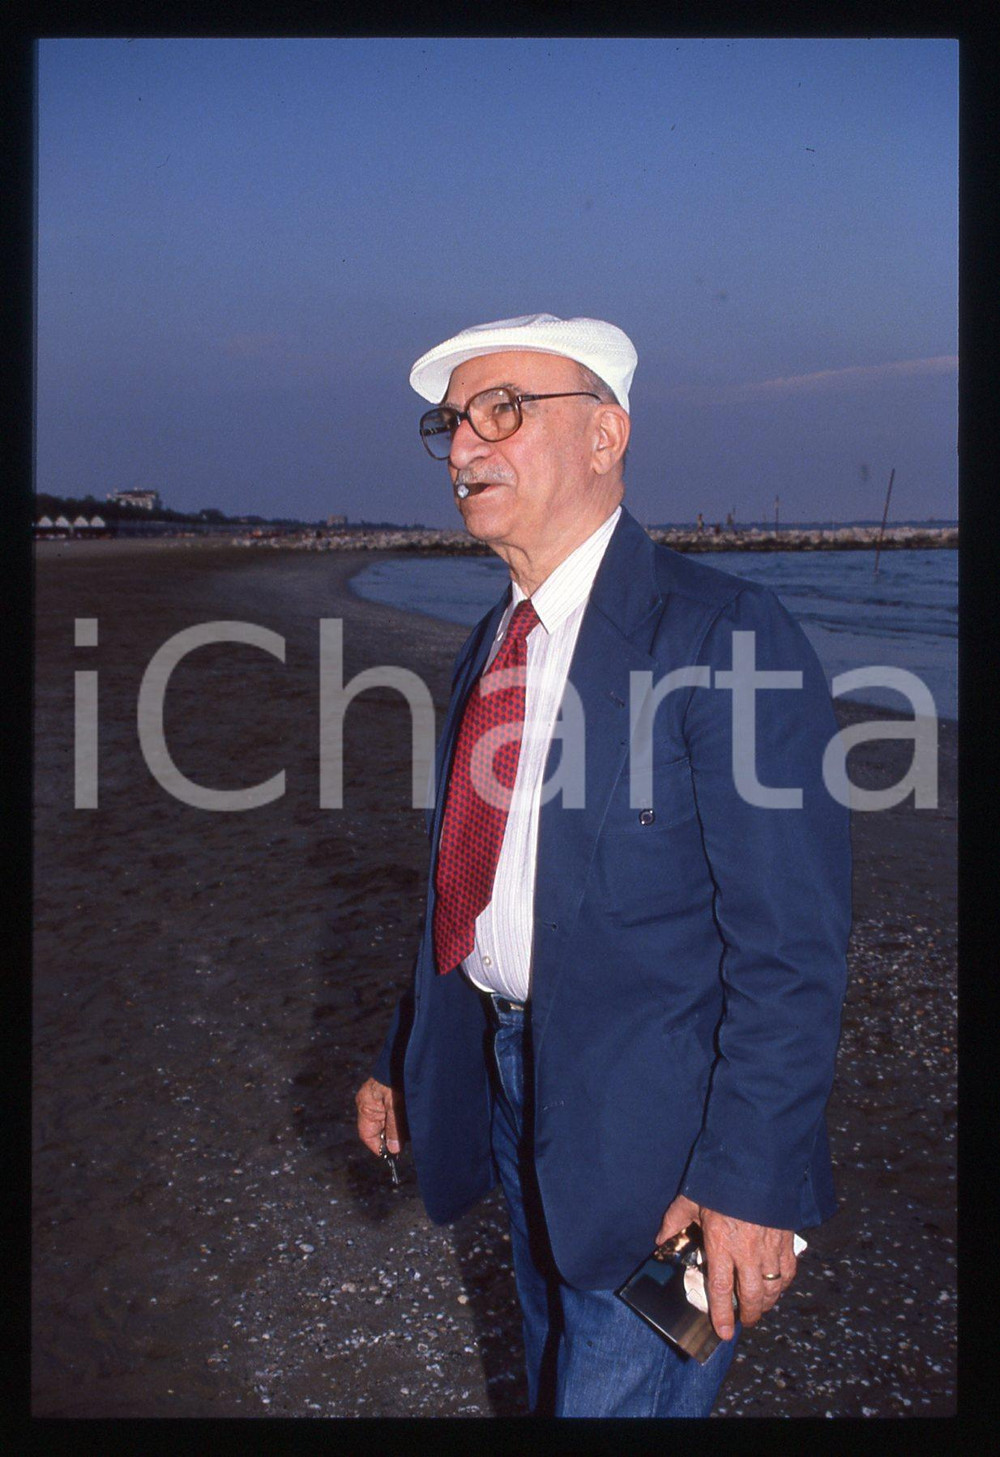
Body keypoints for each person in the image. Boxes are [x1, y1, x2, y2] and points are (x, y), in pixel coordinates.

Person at [355, 313, 851, 1418]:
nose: (465, 448)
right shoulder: (491, 644)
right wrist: (407, 1046)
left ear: (605, 435)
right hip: (511, 1085)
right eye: (451, 424)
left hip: (665, 1128)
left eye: (504, 411)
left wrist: (748, 1179)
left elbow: (793, 942)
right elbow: (467, 878)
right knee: (548, 1368)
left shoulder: (723, 632)